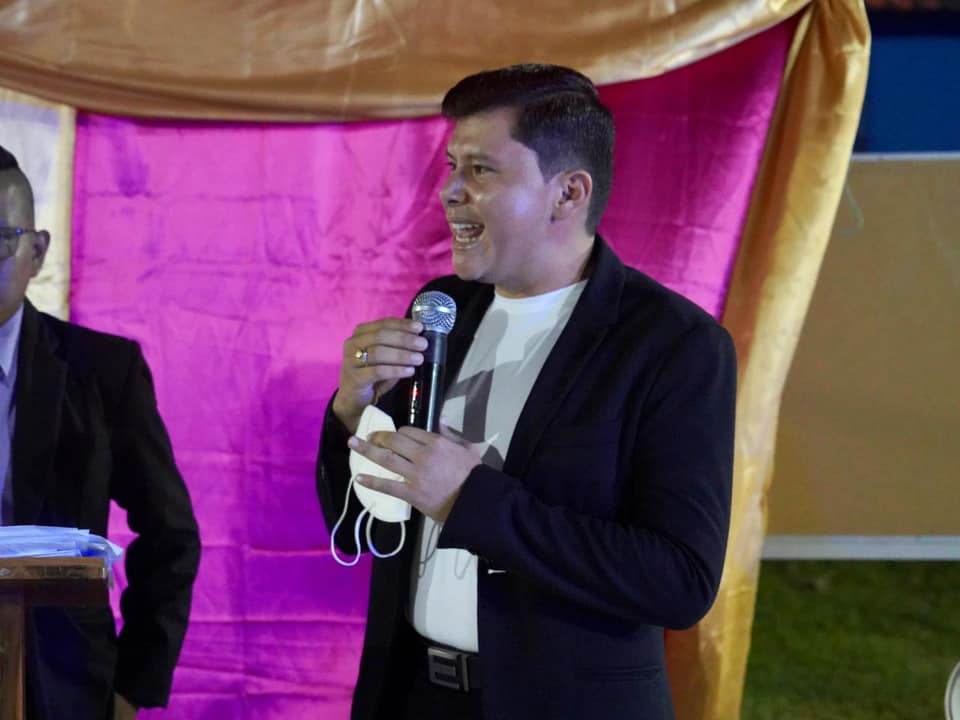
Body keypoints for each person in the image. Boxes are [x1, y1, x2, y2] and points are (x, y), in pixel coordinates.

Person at [316, 64, 736, 720]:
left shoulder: (674, 345)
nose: (450, 191)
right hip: (414, 697)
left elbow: (679, 581)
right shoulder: (442, 308)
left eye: (481, 170)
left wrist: (469, 500)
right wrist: (353, 412)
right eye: (452, 167)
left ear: (568, 193)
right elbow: (373, 523)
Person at [0, 145, 200, 720]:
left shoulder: (102, 372)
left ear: (37, 252)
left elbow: (170, 534)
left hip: (61, 683)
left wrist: (133, 684)